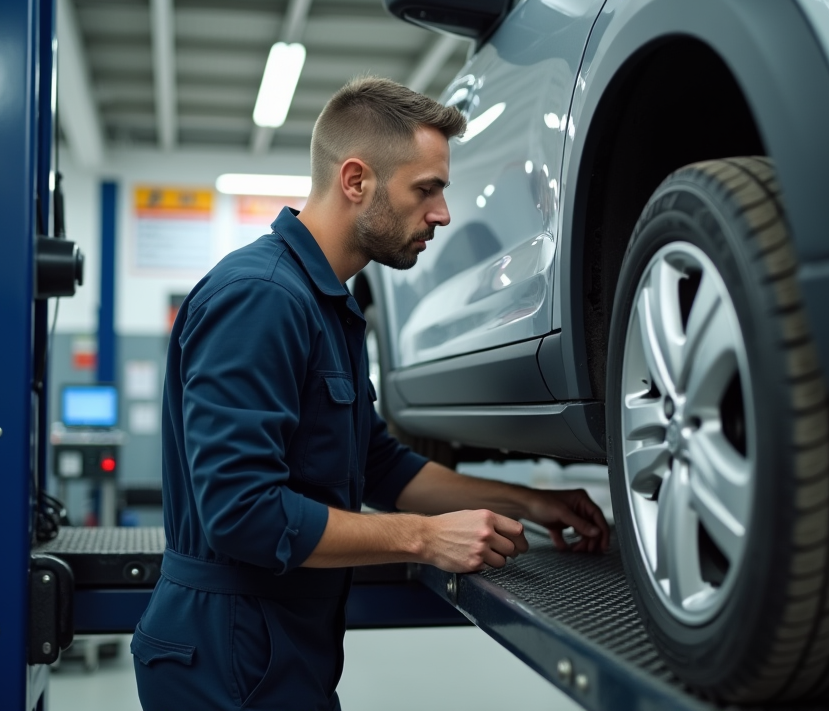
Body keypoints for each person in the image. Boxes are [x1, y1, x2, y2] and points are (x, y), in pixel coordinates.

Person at [131, 77, 610, 711]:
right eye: (427, 189)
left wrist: (531, 502)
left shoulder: (329, 306)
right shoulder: (263, 298)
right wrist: (422, 537)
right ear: (355, 180)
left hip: (278, 641)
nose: (442, 213)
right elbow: (242, 513)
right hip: (227, 649)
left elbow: (382, 464)